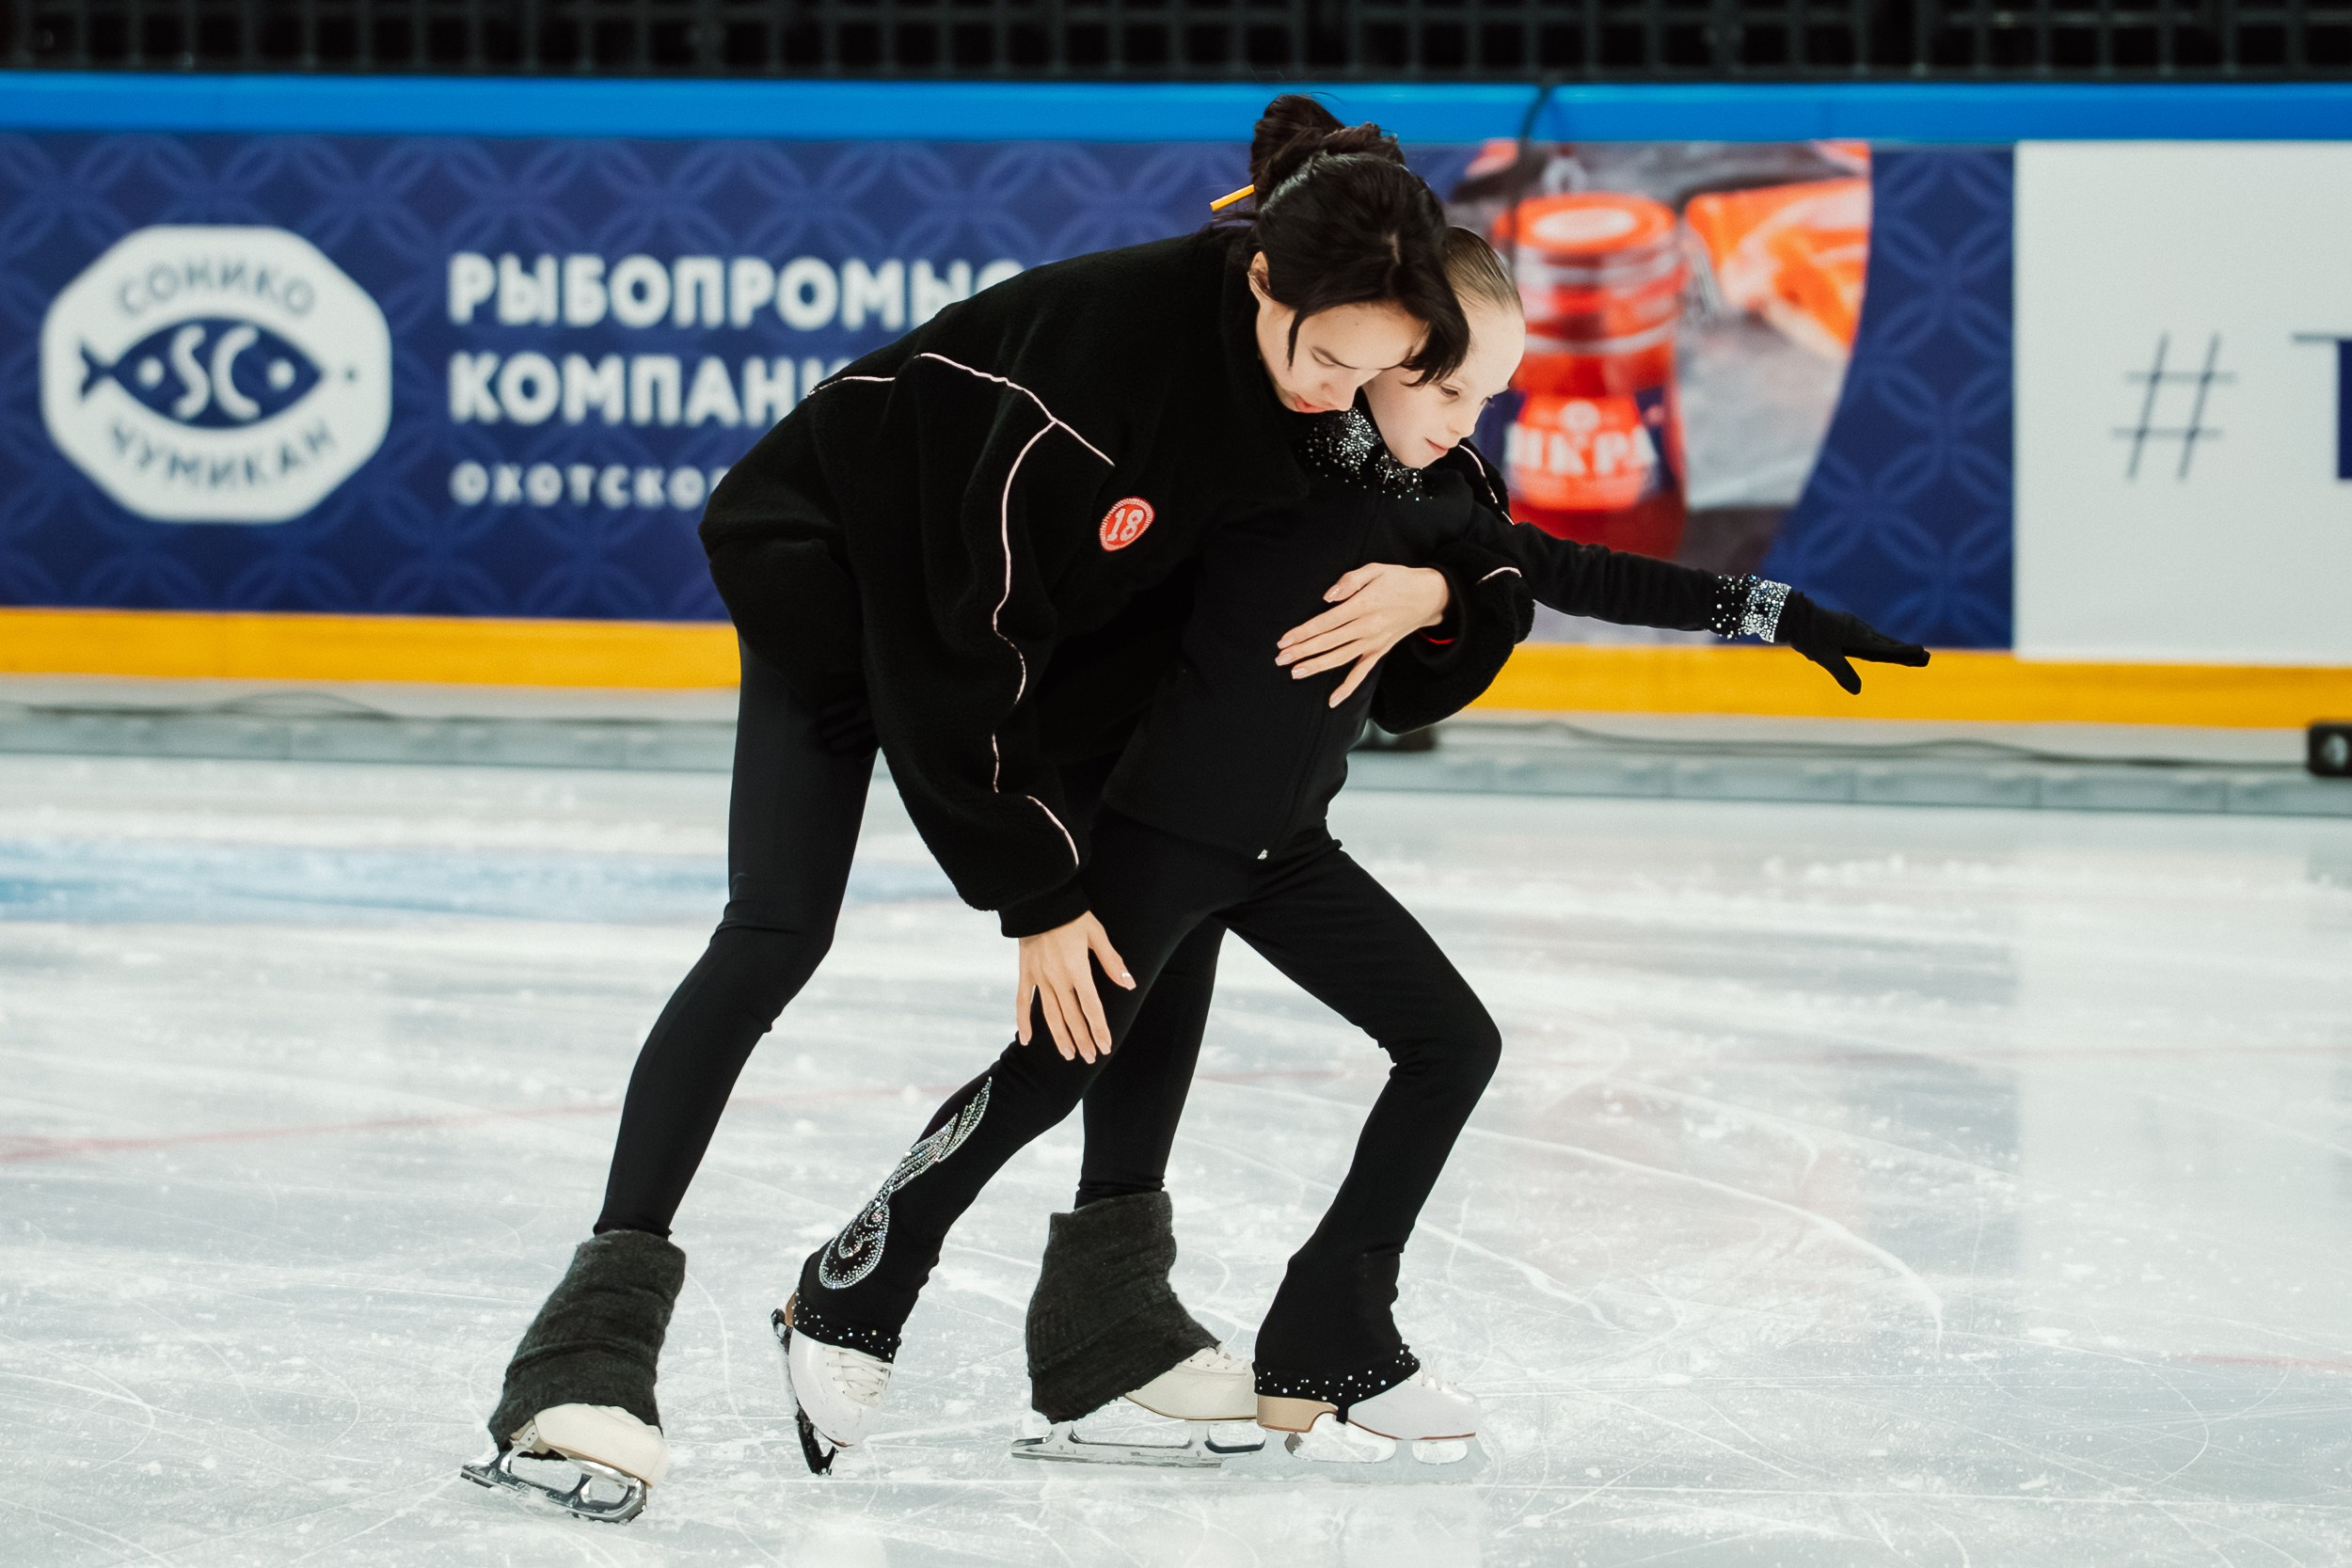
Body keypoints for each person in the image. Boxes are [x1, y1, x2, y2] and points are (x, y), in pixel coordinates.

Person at [465, 96, 1484, 1523]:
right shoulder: (1089, 369)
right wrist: (1036, 892)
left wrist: (1444, 588)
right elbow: (954, 650)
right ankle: (583, 1354)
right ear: (1261, 276)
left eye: (1381, 369)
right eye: (1325, 360)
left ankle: (1111, 1336)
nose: (1343, 396)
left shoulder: (1341, 370)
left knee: (1165, 908)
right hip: (848, 582)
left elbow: (1455, 513)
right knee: (775, 933)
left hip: (1054, 623)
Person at [776, 228, 1930, 1474]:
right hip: (1156, 836)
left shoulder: (1443, 499)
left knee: (1452, 1044)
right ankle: (851, 1289)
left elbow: (1567, 567)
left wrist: (1777, 611)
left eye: (1486, 395)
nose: (1460, 417)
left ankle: (1334, 1328)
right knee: (1049, 1076)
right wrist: (1038, 841)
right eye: (1440, 385)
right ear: (1385, 354)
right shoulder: (1253, 466)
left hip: (1283, 850)